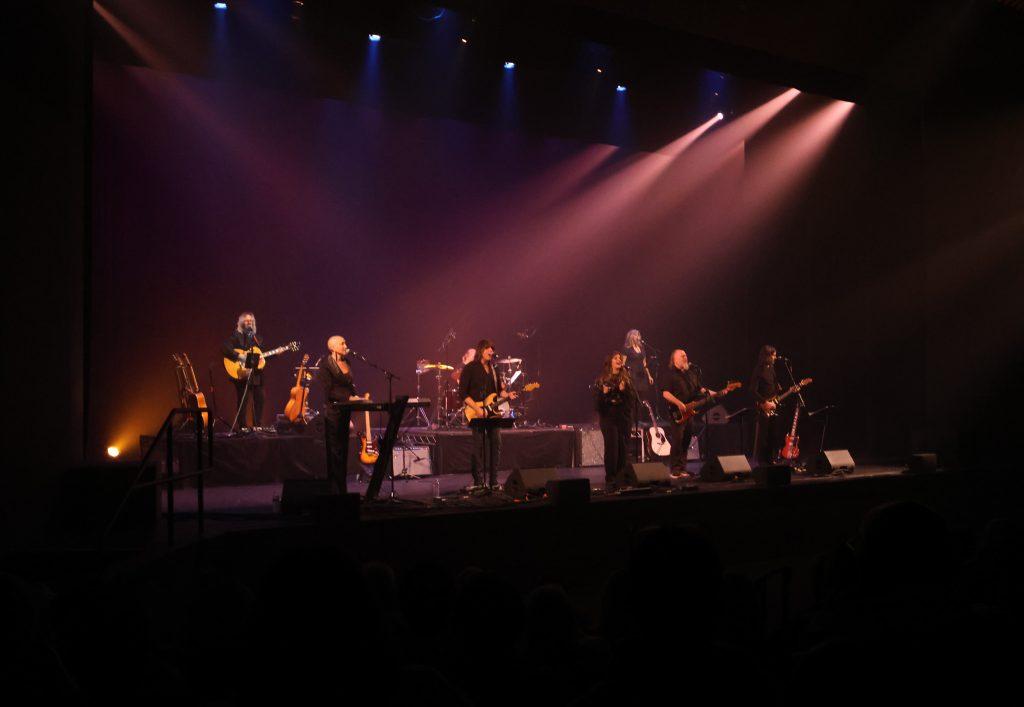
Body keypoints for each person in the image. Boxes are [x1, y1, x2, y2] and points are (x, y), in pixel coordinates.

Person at [458, 339, 517, 489]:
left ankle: (494, 481)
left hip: (492, 411)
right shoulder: (471, 368)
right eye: (488, 349)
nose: (492, 351)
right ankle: (478, 481)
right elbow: (463, 393)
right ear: (481, 350)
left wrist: (507, 394)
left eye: (492, 349)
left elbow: (498, 391)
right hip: (476, 410)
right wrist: (478, 409)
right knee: (478, 446)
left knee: (496, 443)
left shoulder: (494, 369)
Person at [319, 335, 369, 487]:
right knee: (335, 450)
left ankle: (342, 486)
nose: (345, 345)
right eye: (342, 343)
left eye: (345, 342)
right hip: (333, 411)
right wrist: (349, 397)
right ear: (332, 347)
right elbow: (329, 391)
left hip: (345, 409)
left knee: (344, 447)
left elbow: (349, 384)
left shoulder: (347, 362)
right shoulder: (326, 364)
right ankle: (334, 486)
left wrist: (356, 397)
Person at [660, 349, 707, 478]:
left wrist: (718, 392)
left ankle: (682, 468)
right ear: (675, 360)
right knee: (677, 440)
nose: (686, 357)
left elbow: (700, 389)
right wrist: (679, 403)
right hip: (677, 413)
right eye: (683, 356)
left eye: (686, 355)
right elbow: (665, 393)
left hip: (689, 413)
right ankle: (674, 469)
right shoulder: (670, 375)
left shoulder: (690, 374)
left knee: (686, 439)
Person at [594, 352, 636, 487]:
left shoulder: (627, 379)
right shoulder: (602, 380)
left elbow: (631, 401)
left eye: (620, 358)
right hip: (609, 418)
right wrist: (604, 394)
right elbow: (598, 406)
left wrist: (624, 391)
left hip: (623, 418)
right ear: (610, 362)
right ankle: (611, 478)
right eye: (615, 358)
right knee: (612, 448)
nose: (619, 360)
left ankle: (621, 476)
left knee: (623, 448)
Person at [221, 312, 265, 428]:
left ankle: (257, 426)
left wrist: (277, 353)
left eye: (251, 320)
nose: (249, 322)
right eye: (246, 320)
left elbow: (261, 355)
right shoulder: (235, 336)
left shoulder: (256, 339)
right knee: (243, 399)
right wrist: (240, 356)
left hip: (254, 373)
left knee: (260, 397)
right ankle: (242, 427)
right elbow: (225, 348)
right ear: (240, 322)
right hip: (240, 372)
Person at [749, 344, 783, 467]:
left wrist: (777, 388)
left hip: (773, 405)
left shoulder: (772, 369)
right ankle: (761, 462)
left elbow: (772, 385)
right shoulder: (759, 369)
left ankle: (770, 459)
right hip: (763, 407)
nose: (775, 357)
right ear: (767, 356)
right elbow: (752, 390)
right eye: (773, 355)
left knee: (772, 434)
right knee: (763, 436)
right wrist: (764, 402)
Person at [622, 330, 655, 402]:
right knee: (633, 398)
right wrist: (625, 376)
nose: (638, 337)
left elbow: (644, 363)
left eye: (638, 335)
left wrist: (649, 376)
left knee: (641, 398)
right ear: (631, 336)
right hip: (632, 376)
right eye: (636, 335)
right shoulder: (627, 348)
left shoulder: (642, 348)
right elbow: (623, 364)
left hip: (642, 376)